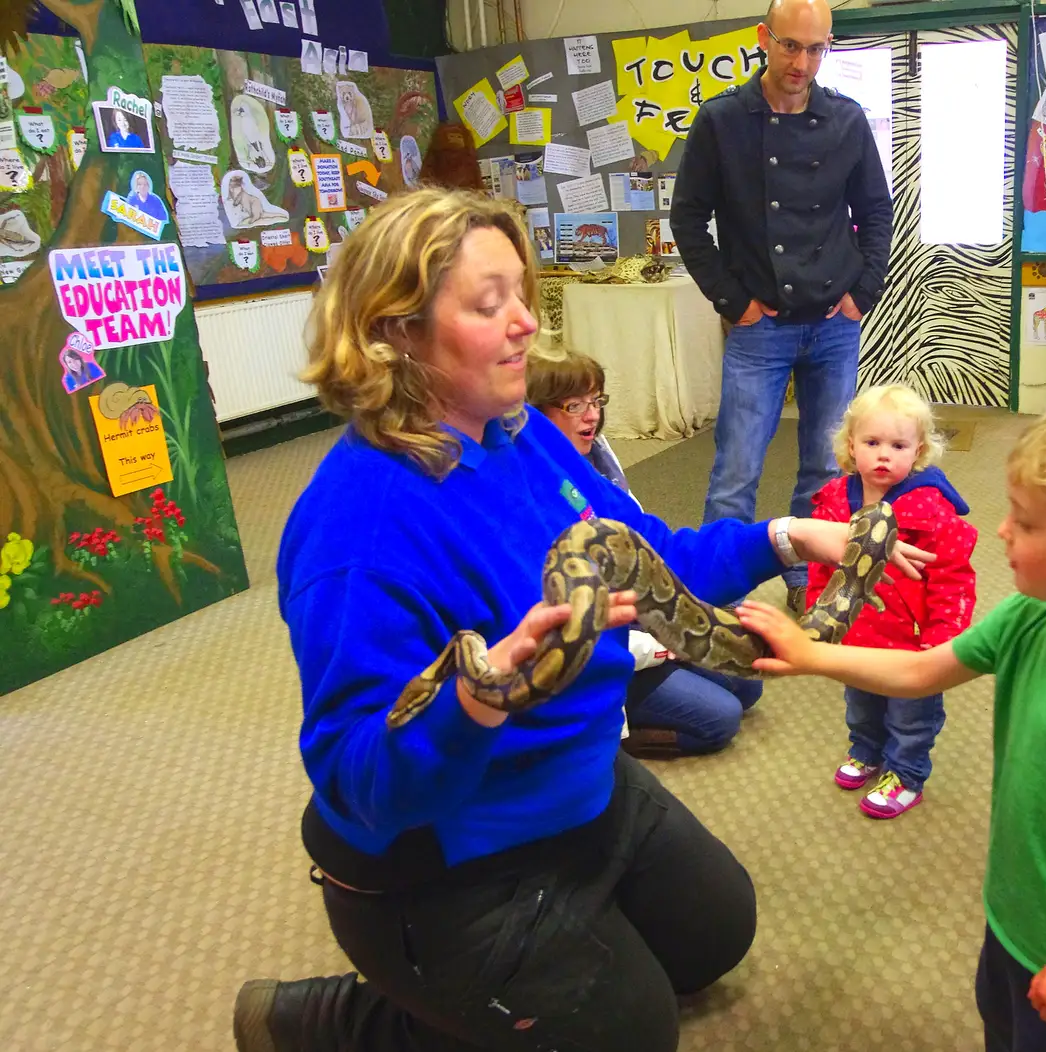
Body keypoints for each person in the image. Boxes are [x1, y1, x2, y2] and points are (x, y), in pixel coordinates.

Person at [231, 188, 933, 1052]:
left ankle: (525, 959)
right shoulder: (358, 534)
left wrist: (789, 535)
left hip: (579, 776)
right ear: (397, 332)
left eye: (523, 293)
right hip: (448, 851)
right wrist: (482, 699)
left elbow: (654, 554)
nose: (527, 322)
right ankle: (345, 1017)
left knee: (718, 931)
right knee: (634, 1034)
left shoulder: (517, 432)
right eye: (491, 305)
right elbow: (359, 786)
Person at [737, 395, 1046, 1051]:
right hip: (1015, 918)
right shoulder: (1030, 617)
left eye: (1024, 523)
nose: (999, 533)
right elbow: (921, 671)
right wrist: (812, 654)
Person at [671, 0, 893, 612]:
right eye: (791, 46)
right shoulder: (722, 120)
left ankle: (808, 579)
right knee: (736, 472)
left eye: (816, 48)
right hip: (758, 326)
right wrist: (732, 301)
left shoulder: (846, 120)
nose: (802, 62)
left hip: (832, 326)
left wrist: (861, 295)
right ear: (765, 39)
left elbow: (876, 212)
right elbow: (688, 219)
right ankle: (713, 600)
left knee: (825, 470)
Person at [527, 351, 764, 758]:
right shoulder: (537, 489)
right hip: (613, 648)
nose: (591, 417)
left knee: (748, 683)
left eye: (596, 401)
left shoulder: (599, 464)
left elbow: (652, 546)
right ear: (537, 413)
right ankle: (623, 738)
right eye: (574, 405)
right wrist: (662, 647)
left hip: (646, 622)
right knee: (719, 718)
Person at [813, 384, 977, 819]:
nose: (884, 454)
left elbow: (953, 578)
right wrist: (818, 609)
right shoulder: (833, 502)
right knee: (860, 703)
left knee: (911, 716)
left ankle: (905, 774)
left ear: (918, 450)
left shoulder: (931, 510)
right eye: (872, 443)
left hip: (912, 644)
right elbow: (819, 563)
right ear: (851, 446)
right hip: (857, 635)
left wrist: (945, 638)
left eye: (898, 445)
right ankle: (866, 751)